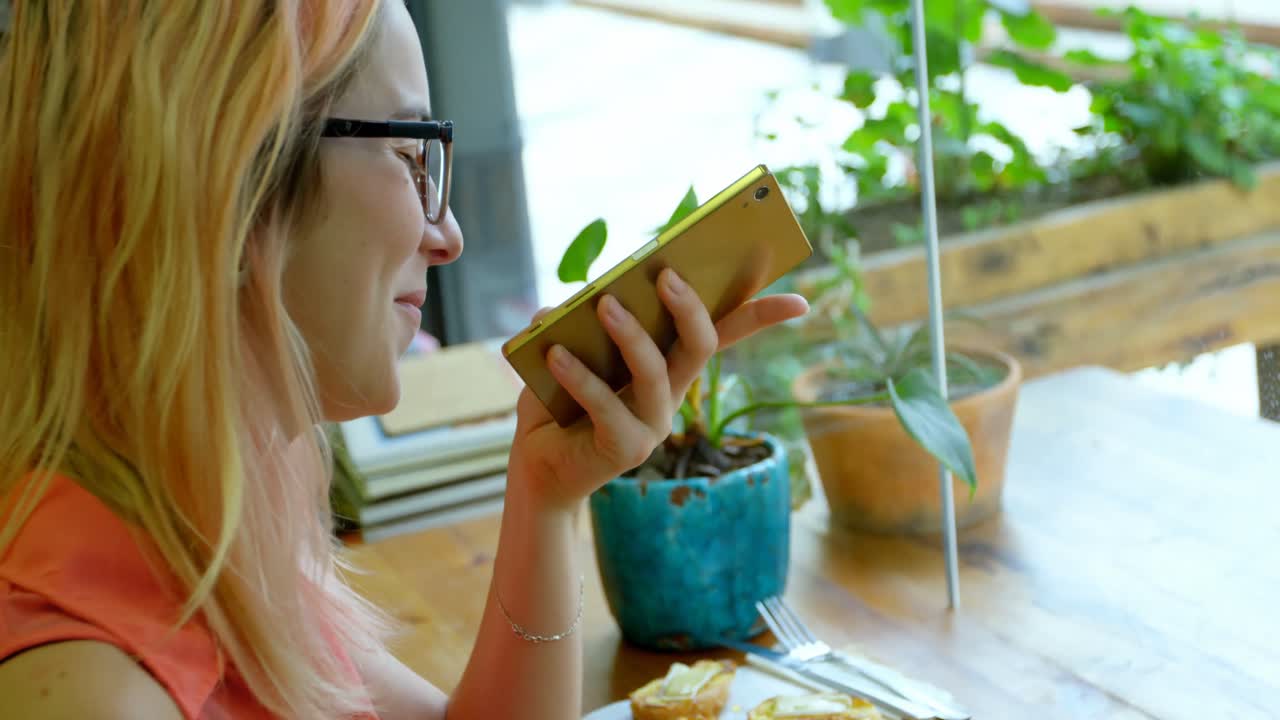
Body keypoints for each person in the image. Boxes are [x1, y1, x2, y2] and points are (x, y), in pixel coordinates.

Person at [0, 2, 808, 718]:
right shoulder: (90, 692)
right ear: (236, 180)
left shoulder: (208, 519)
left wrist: (547, 492)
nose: (447, 235)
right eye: (410, 155)